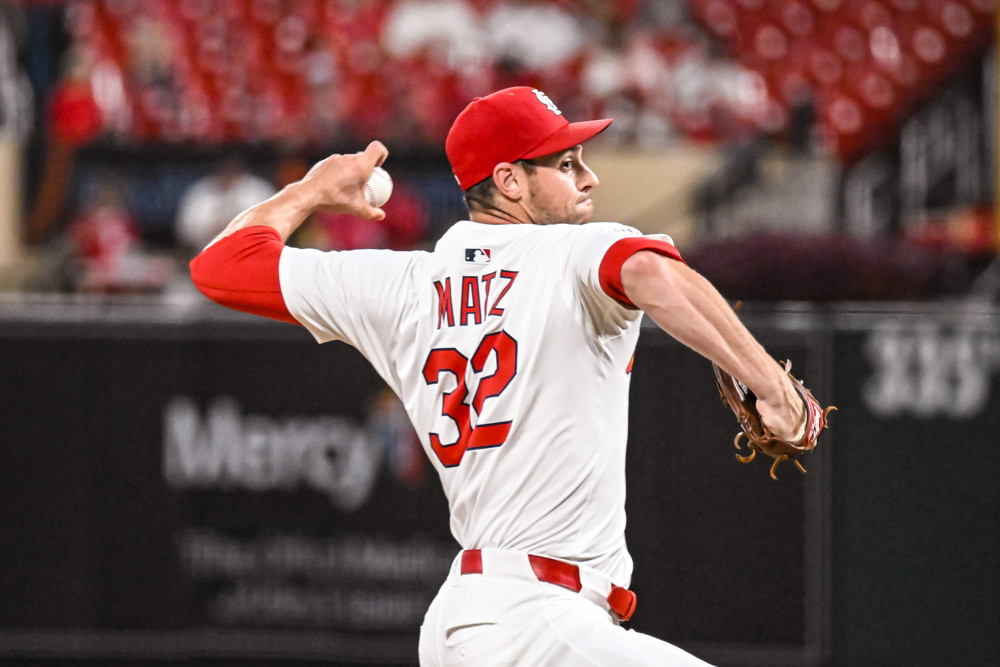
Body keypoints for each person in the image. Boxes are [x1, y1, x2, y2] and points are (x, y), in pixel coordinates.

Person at [189, 86, 807, 666]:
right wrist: (773, 389)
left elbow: (221, 266)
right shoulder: (570, 253)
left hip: (466, 620)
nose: (588, 177)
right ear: (510, 181)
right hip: (538, 619)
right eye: (565, 164)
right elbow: (649, 271)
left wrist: (310, 191)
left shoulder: (400, 284)